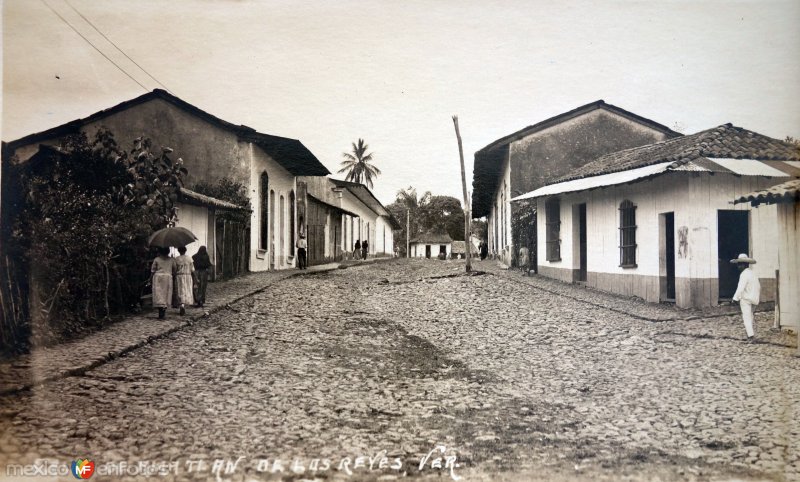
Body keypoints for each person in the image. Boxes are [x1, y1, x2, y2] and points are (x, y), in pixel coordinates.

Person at [731, 253, 761, 342]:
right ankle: (750, 334)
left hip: (746, 299)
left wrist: (735, 298)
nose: (738, 267)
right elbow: (758, 286)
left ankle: (751, 336)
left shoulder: (744, 274)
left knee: (746, 317)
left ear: (743, 265)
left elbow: (740, 288)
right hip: (754, 298)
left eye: (739, 265)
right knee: (750, 316)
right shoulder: (752, 273)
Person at [151, 247, 174, 319]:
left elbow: (153, 270)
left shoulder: (157, 259)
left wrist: (150, 278)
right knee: (166, 294)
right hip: (167, 277)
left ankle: (160, 310)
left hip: (158, 277)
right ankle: (163, 309)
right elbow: (175, 269)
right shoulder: (171, 259)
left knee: (159, 294)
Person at [173, 246, 195, 315]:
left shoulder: (176, 259)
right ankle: (184, 305)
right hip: (188, 276)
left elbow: (175, 269)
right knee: (186, 290)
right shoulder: (189, 258)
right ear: (185, 250)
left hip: (179, 276)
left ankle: (181, 304)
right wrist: (196, 279)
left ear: (179, 251)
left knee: (180, 290)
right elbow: (193, 270)